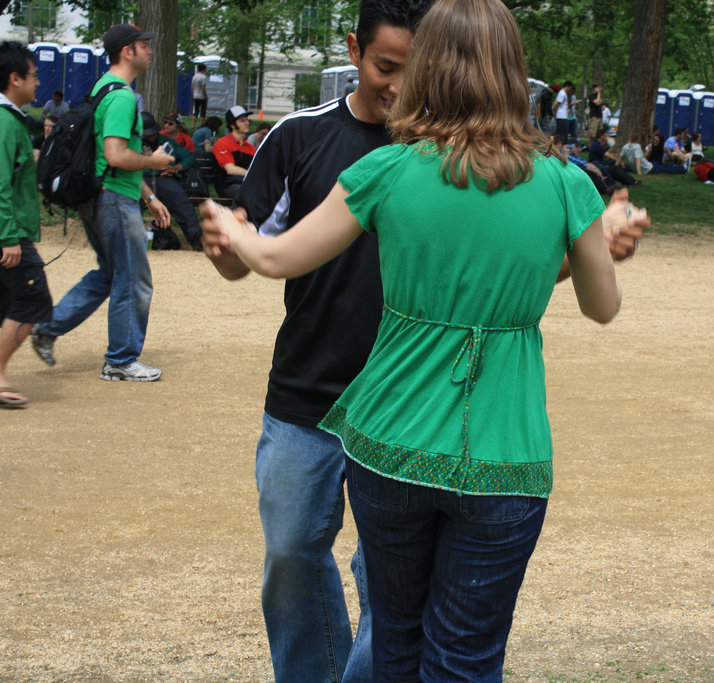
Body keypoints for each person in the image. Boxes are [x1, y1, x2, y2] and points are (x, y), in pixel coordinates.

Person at [200, 2, 647, 680]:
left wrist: (231, 232)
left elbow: (276, 257)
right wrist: (603, 239)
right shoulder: (564, 185)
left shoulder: (390, 171)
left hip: (387, 442)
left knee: (398, 642)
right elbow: (601, 306)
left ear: (430, 66)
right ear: (512, 73)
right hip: (500, 456)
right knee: (463, 658)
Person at [31, 23, 172, 382]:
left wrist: (150, 196)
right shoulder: (123, 96)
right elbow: (116, 154)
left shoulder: (101, 89)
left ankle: (47, 326)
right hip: (114, 199)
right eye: (144, 45)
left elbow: (105, 156)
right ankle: (121, 360)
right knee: (134, 280)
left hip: (98, 195)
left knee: (108, 275)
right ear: (128, 52)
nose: (150, 50)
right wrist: (154, 163)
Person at [0, 41, 52, 407]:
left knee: (6, 302)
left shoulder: (12, 119)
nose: (38, 82)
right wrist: (8, 237)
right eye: (33, 75)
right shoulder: (4, 122)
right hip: (9, 231)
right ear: (14, 78)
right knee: (34, 301)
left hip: (12, 228)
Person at [140, 111, 203, 252]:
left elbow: (188, 157)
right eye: (147, 134)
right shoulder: (134, 142)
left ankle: (197, 239)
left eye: (152, 133)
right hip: (142, 180)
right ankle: (133, 239)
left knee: (181, 202)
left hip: (165, 178)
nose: (150, 136)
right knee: (132, 200)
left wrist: (176, 168)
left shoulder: (165, 141)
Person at [211, 105, 257, 198]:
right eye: (242, 120)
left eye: (247, 120)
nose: (247, 123)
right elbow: (230, 169)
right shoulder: (222, 143)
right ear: (232, 125)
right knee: (252, 192)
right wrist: (252, 175)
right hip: (226, 186)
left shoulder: (251, 148)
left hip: (246, 184)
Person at [621, 132, 686, 176]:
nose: (655, 142)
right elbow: (645, 158)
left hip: (659, 164)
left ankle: (682, 165)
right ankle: (683, 168)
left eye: (657, 140)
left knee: (670, 165)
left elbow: (672, 159)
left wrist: (667, 150)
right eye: (654, 140)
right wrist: (650, 151)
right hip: (650, 165)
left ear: (660, 142)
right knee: (667, 170)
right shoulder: (649, 146)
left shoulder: (663, 147)